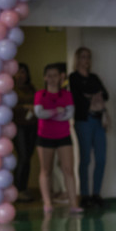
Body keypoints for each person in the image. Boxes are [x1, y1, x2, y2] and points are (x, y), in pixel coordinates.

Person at [34, 62, 82, 214]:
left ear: (61, 77)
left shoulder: (67, 95)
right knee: (46, 170)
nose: (52, 79)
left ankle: (74, 204)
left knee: (68, 169)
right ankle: (47, 203)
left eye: (55, 75)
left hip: (63, 136)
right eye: (49, 76)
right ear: (45, 78)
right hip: (44, 136)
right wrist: (56, 111)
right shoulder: (40, 95)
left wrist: (51, 113)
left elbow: (68, 114)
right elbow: (39, 113)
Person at [69, 47, 111, 208]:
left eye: (88, 57)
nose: (86, 60)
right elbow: (77, 99)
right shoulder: (73, 78)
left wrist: (92, 97)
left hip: (98, 120)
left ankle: (96, 194)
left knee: (101, 158)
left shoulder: (94, 77)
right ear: (77, 59)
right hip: (83, 121)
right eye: (83, 57)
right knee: (85, 159)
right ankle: (85, 195)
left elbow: (105, 95)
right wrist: (93, 97)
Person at [12, 63, 38, 201]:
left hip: (33, 125)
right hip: (19, 126)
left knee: (28, 157)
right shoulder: (11, 89)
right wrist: (24, 107)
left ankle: (24, 188)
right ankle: (18, 189)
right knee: (23, 157)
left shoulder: (31, 88)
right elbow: (9, 107)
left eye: (23, 72)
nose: (21, 75)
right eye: (18, 72)